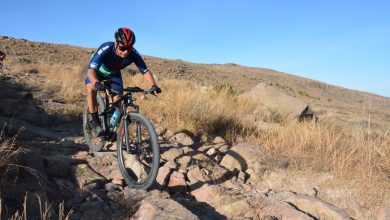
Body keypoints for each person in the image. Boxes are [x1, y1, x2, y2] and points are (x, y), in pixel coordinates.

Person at [85, 27, 161, 136]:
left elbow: (145, 71)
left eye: (129, 49)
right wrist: (97, 83)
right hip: (97, 71)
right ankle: (96, 124)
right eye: (122, 48)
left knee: (118, 103)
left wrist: (153, 85)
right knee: (91, 88)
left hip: (113, 73)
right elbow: (91, 71)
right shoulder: (106, 47)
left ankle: (111, 127)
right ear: (116, 43)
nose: (125, 52)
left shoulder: (133, 53)